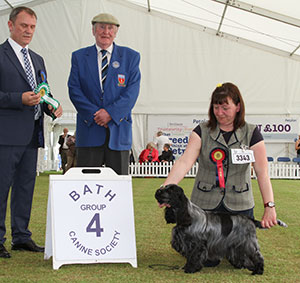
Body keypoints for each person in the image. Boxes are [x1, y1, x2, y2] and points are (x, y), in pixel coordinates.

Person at [159, 83, 277, 234]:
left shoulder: (252, 133)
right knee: (206, 256)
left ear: (238, 107)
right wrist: (166, 188)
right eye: (216, 107)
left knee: (241, 256)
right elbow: (184, 162)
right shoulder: (201, 131)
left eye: (225, 108)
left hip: (240, 206)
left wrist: (269, 206)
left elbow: (262, 172)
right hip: (205, 205)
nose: (220, 113)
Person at [0, 6, 62, 258]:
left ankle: (21, 236)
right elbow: (21, 96)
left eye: (32, 27)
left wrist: (51, 107)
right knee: (1, 188)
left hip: (32, 134)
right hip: (5, 135)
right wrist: (18, 99)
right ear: (11, 25)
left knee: (25, 187)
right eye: (24, 26)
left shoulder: (37, 59)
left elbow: (41, 91)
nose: (28, 31)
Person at [68, 13, 141, 175]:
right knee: (87, 187)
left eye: (110, 28)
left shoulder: (131, 57)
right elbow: (74, 89)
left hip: (118, 132)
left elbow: (132, 92)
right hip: (89, 132)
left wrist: (110, 114)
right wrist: (96, 115)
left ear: (116, 32)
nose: (105, 32)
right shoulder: (79, 57)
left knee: (118, 188)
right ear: (93, 30)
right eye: (101, 27)